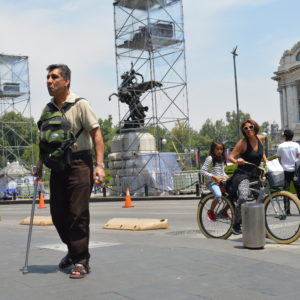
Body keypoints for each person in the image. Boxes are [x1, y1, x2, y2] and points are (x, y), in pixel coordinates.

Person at [36, 64, 105, 279]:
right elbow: (44, 142)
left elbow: (97, 135)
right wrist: (39, 164)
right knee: (58, 215)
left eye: (54, 77)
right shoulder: (47, 109)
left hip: (79, 164)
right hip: (57, 166)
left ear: (66, 81)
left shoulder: (80, 104)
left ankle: (81, 261)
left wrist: (99, 165)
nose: (49, 81)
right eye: (47, 77)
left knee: (78, 214)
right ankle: (73, 250)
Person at [228, 119, 268, 234]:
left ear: (254, 127)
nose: (249, 130)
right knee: (243, 196)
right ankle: (236, 224)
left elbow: (262, 152)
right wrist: (237, 160)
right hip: (243, 174)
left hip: (255, 175)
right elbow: (230, 157)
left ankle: (264, 229)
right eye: (246, 128)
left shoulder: (261, 139)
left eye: (250, 127)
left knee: (263, 199)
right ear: (243, 131)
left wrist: (266, 161)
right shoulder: (242, 142)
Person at [200, 141, 229, 221]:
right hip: (211, 182)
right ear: (213, 149)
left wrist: (226, 176)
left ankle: (224, 212)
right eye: (217, 149)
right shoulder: (210, 158)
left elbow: (222, 172)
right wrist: (214, 177)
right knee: (218, 195)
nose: (219, 151)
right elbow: (202, 171)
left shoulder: (222, 158)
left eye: (221, 149)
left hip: (221, 182)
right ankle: (211, 211)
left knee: (233, 195)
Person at [276, 129, 300, 213]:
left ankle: (287, 210)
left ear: (285, 136)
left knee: (285, 191)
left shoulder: (281, 146)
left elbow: (279, 159)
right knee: (299, 190)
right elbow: (298, 156)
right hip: (295, 171)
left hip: (285, 171)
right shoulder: (296, 145)